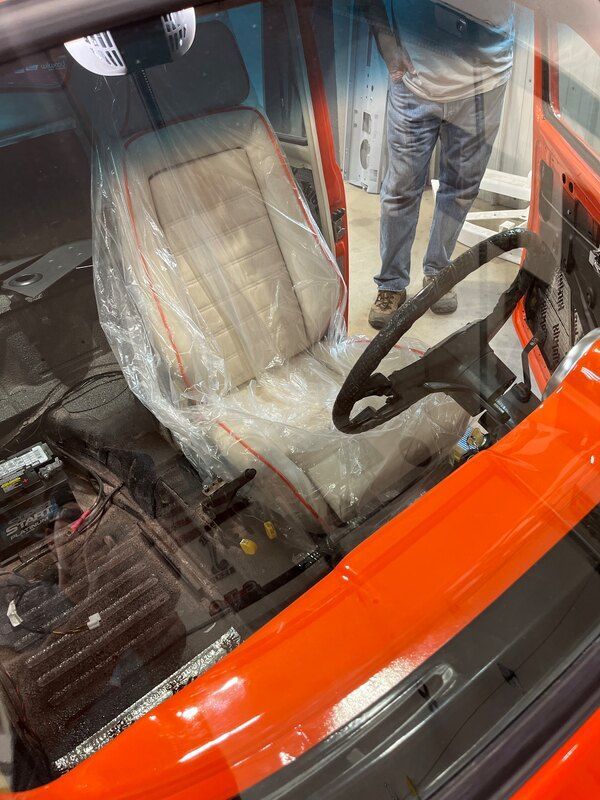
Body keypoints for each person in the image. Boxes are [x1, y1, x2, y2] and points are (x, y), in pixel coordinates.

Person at [366, 0, 515, 328]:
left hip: (484, 85)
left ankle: (437, 272)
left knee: (460, 189)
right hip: (414, 81)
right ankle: (391, 283)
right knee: (400, 190)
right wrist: (386, 42)